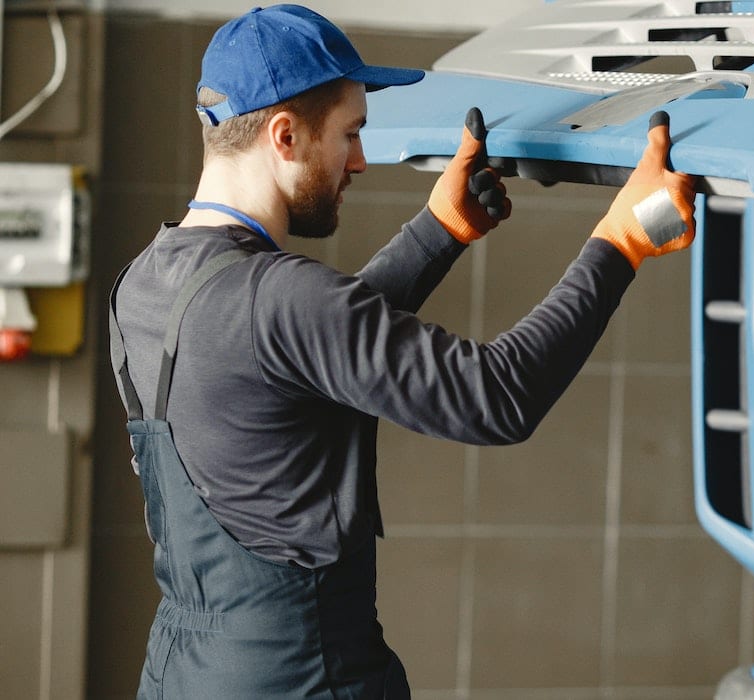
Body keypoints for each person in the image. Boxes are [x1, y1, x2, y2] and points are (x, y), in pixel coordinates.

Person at [109, 4, 696, 699]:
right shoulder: (279, 297)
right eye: (350, 135)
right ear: (285, 135)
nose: (359, 160)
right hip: (304, 680)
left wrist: (438, 231)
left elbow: (295, 351)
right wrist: (624, 240)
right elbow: (496, 399)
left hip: (183, 674)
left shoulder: (143, 281)